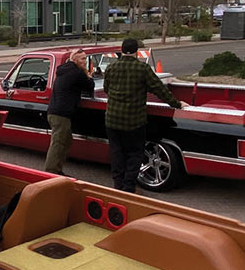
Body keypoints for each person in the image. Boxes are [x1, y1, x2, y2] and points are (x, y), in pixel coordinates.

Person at [102, 39, 182, 192]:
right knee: (134, 153)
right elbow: (159, 89)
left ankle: (117, 185)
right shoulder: (142, 68)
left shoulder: (111, 68)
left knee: (116, 153)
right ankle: (129, 186)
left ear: (121, 50)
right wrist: (177, 104)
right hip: (134, 121)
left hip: (112, 119)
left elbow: (106, 89)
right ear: (136, 52)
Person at [45, 50, 94, 174]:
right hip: (62, 114)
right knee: (59, 143)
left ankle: (57, 168)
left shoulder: (64, 70)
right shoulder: (77, 73)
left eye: (85, 58)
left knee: (65, 142)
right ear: (75, 60)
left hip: (55, 111)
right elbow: (89, 86)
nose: (85, 61)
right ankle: (51, 171)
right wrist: (88, 74)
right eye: (82, 59)